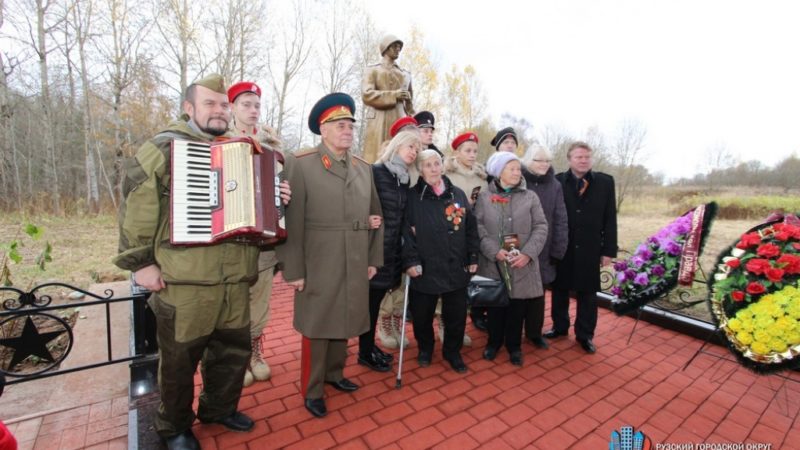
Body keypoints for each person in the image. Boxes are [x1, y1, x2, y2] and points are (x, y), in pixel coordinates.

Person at [115, 74, 288, 450]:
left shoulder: (242, 148)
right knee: (179, 361)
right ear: (189, 107)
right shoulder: (165, 146)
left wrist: (276, 195)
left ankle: (218, 409)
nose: (220, 110)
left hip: (235, 277)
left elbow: (255, 211)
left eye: (224, 104)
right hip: (186, 281)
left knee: (232, 351)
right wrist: (141, 262)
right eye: (210, 103)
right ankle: (173, 426)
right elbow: (136, 203)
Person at [277, 92, 383, 418]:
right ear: (322, 130)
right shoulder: (302, 163)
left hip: (353, 256)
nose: (348, 130)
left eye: (350, 124)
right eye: (340, 124)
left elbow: (376, 216)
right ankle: (313, 389)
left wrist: (372, 259)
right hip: (318, 259)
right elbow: (290, 220)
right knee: (318, 324)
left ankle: (336, 374)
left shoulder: (363, 168)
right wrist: (293, 269)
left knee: (347, 317)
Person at [402, 149, 479, 373]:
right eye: (428, 165)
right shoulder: (412, 197)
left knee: (455, 315)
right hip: (423, 268)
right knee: (422, 315)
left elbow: (471, 228)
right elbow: (405, 233)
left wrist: (473, 255)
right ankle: (425, 349)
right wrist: (410, 261)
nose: (434, 168)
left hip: (455, 266)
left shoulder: (457, 195)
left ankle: (452, 352)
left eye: (437, 163)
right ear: (420, 169)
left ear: (443, 166)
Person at [227, 80, 283, 387]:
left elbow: (281, 186)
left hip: (263, 242)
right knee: (234, 303)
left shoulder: (272, 147)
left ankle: (255, 351)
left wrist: (283, 192)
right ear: (233, 107)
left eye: (257, 105)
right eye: (246, 104)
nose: (252, 111)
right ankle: (236, 356)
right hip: (229, 241)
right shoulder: (219, 141)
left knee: (260, 300)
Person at [475, 152, 548, 366]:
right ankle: (493, 343)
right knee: (496, 307)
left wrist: (528, 253)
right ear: (499, 172)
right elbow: (477, 227)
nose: (517, 172)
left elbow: (541, 226)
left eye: (518, 169)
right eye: (512, 168)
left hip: (521, 263)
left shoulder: (530, 197)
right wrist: (493, 250)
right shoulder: (484, 197)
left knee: (518, 308)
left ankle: (514, 346)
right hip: (494, 262)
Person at [546, 141, 617, 354]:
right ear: (570, 159)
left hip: (590, 249)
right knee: (560, 290)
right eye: (579, 157)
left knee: (588, 295)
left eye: (587, 157)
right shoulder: (557, 181)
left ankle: (585, 335)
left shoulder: (605, 182)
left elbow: (610, 218)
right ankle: (559, 328)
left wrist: (608, 251)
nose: (583, 160)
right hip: (563, 248)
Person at [359, 130, 421, 372]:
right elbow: (360, 203)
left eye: (416, 149)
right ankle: (364, 353)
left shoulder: (404, 178)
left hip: (393, 252)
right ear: (397, 146)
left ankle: (368, 347)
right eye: (410, 146)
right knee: (370, 304)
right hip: (373, 250)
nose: (413, 152)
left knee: (375, 302)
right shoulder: (376, 171)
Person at [521, 144, 569, 349]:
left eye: (547, 160)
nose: (544, 164)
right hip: (518, 246)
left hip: (544, 248)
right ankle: (510, 331)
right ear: (528, 161)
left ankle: (534, 333)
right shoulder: (519, 180)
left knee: (538, 295)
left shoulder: (555, 185)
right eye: (539, 160)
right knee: (514, 294)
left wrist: (558, 250)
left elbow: (560, 218)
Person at [445, 132, 489, 334]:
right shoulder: (447, 175)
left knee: (468, 281)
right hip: (450, 235)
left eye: (475, 151)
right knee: (447, 281)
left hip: (473, 235)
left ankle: (459, 325)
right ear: (457, 151)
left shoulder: (482, 177)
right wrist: (463, 206)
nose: (472, 155)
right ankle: (444, 323)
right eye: (467, 150)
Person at [362, 34, 414, 163]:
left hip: (400, 120)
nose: (398, 49)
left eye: (399, 47)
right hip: (379, 120)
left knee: (399, 155)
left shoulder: (405, 74)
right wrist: (394, 95)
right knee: (375, 158)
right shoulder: (373, 70)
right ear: (386, 48)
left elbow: (410, 107)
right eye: (394, 46)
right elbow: (367, 94)